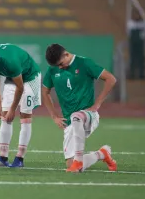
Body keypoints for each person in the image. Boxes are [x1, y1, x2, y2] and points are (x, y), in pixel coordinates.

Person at [42, 44, 117, 173]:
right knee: (70, 165)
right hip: (69, 123)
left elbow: (111, 79)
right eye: (57, 66)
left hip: (88, 116)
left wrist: (97, 105)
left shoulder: (84, 63)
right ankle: (102, 154)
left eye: (61, 63)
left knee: (76, 116)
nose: (60, 67)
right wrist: (54, 116)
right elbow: (45, 91)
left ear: (66, 54)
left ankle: (78, 161)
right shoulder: (52, 70)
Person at [0, 43, 41, 168]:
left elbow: (20, 87)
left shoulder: (11, 62)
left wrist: (12, 109)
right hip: (12, 78)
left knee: (25, 116)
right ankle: (3, 158)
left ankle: (19, 159)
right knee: (4, 117)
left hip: (30, 77)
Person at [127, 11, 145, 79]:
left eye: (138, 15)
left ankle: (141, 74)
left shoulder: (143, 23)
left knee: (141, 59)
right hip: (133, 43)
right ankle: (132, 74)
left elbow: (144, 33)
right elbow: (129, 33)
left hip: (140, 43)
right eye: (135, 15)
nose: (136, 17)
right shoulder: (130, 23)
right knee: (132, 59)